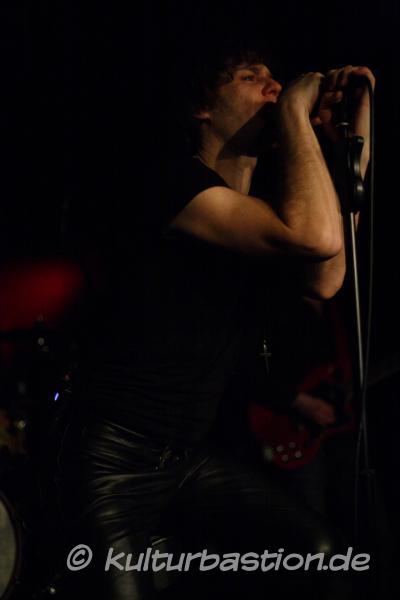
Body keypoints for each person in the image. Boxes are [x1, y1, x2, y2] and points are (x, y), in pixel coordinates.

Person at [55, 38, 375, 599]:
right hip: (110, 463)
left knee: (320, 552)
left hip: (186, 462)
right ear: (202, 108)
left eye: (276, 79)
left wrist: (343, 142)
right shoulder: (172, 182)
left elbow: (326, 275)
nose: (274, 87)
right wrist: (295, 111)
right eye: (252, 78)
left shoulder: (260, 213)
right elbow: (313, 236)